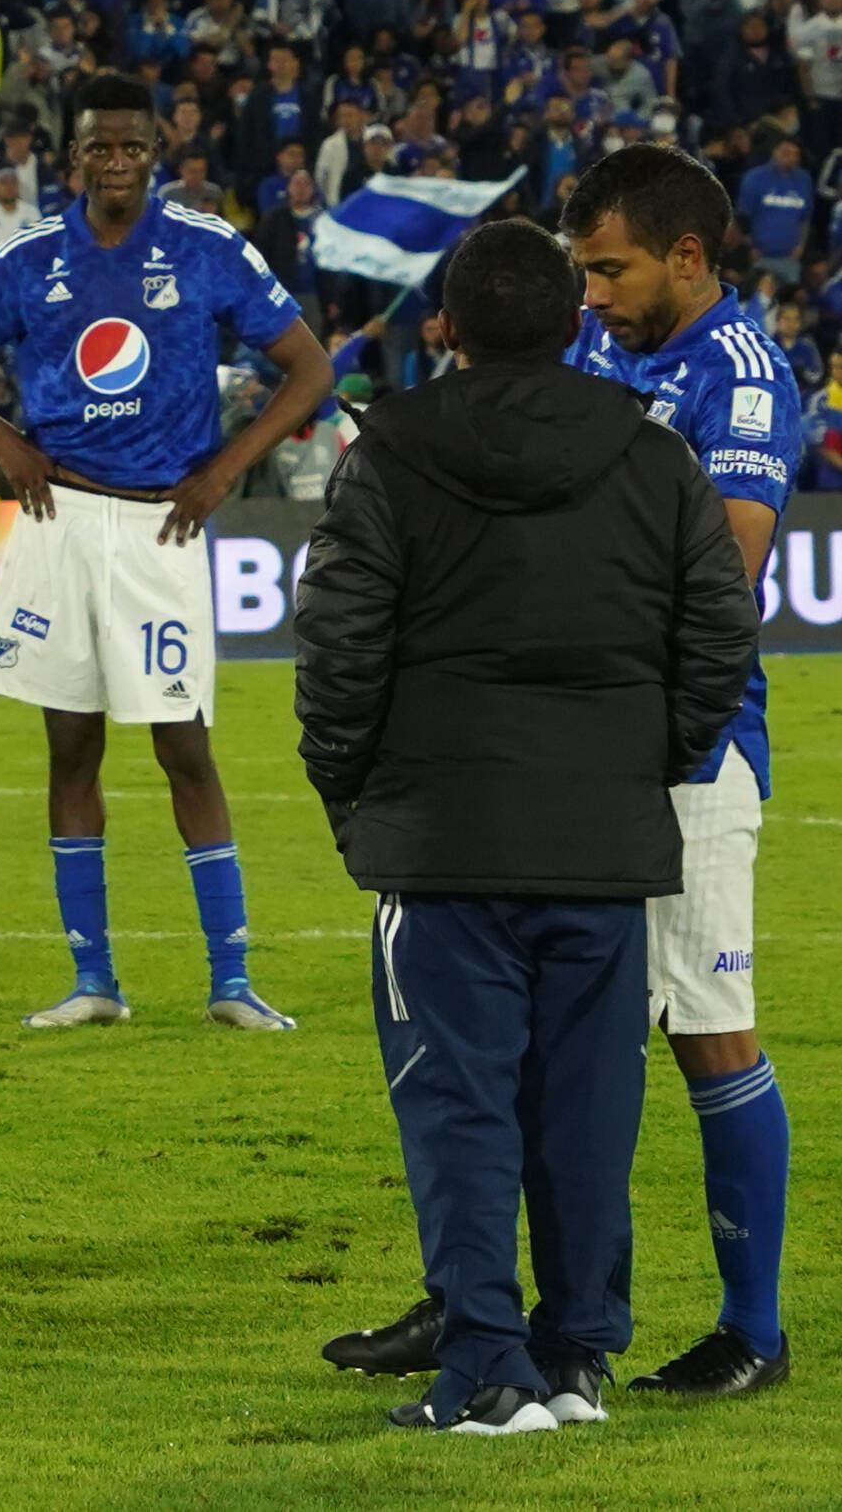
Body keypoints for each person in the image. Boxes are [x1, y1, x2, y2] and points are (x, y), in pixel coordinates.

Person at [327, 144, 803, 1399]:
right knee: (503, 1044)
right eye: (580, 272)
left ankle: (752, 1329)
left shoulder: (741, 375)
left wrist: (632, 722)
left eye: (611, 269)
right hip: (568, 760)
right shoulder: (596, 353)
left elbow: (728, 577)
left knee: (708, 1030)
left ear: (687, 257)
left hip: (684, 759)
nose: (589, 296)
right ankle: (472, 1301)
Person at [0, 71, 336, 1029]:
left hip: (164, 525)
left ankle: (231, 982)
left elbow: (309, 366)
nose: (116, 161)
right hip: (59, 517)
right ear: (71, 157)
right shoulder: (28, 259)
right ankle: (93, 982)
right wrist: (5, 440)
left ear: (156, 155)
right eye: (99, 145)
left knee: (184, 747)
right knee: (71, 746)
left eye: (132, 146)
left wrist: (226, 467)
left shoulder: (206, 247)